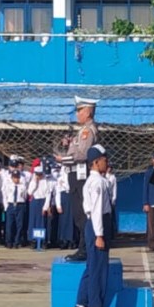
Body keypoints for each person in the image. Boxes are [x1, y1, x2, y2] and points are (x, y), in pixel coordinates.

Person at [75, 144, 117, 307]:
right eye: (104, 160)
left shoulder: (96, 180)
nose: (107, 162)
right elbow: (97, 210)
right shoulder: (98, 182)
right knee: (99, 268)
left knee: (92, 266)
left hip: (93, 224)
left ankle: (82, 303)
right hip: (98, 225)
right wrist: (99, 235)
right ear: (95, 162)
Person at [57, 96, 101, 257]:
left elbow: (82, 155)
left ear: (88, 112)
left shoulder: (87, 131)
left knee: (82, 214)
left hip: (80, 175)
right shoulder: (82, 130)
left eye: (79, 110)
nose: (77, 114)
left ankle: (85, 249)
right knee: (78, 214)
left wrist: (63, 159)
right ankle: (84, 247)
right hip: (75, 174)